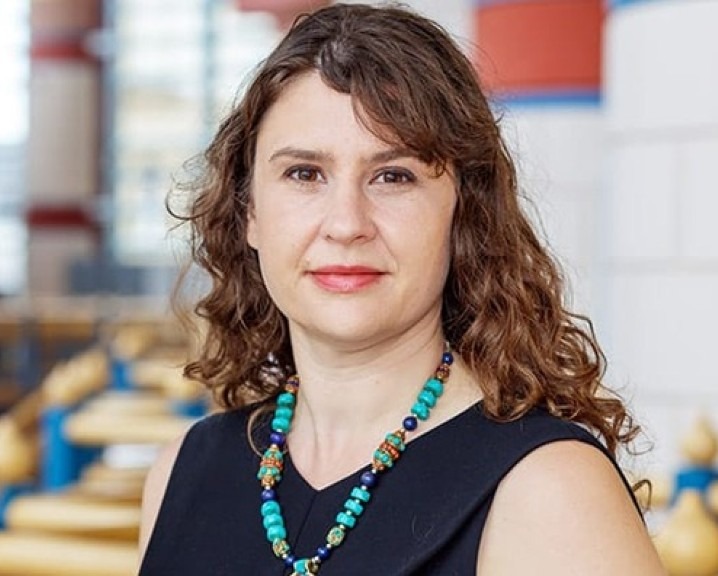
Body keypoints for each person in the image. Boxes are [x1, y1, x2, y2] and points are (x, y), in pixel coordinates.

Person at [138, 3, 666, 575]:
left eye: (394, 176)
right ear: (250, 214)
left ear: (463, 212)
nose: (346, 224)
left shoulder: (550, 492)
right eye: (304, 174)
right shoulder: (182, 473)